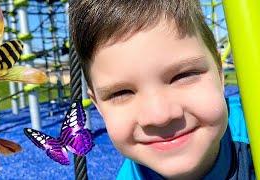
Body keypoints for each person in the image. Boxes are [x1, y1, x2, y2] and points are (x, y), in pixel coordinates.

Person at [70, 0, 255, 179]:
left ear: (219, 72)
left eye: (183, 76)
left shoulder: (252, 128)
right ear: (98, 106)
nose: (160, 116)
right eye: (121, 93)